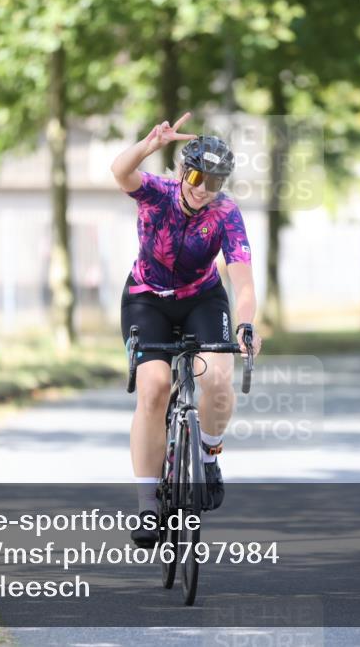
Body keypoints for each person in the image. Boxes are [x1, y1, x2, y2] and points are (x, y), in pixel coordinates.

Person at [110, 112, 262, 548]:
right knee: (154, 387)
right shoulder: (156, 192)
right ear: (182, 171)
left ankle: (209, 455)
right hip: (147, 298)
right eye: (196, 176)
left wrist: (247, 323)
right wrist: (148, 146)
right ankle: (147, 505)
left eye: (213, 182)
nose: (201, 188)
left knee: (217, 376)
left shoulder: (226, 213)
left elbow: (243, 282)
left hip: (201, 298)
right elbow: (119, 171)